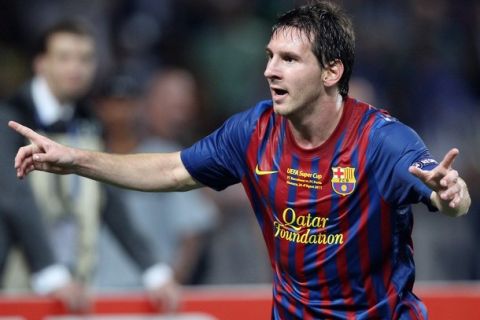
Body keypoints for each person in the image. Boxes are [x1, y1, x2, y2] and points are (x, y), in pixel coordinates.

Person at [8, 2, 471, 319]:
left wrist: (453, 195)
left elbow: (446, 196)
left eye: (289, 59)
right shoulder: (252, 131)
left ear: (332, 71)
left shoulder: (382, 141)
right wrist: (75, 159)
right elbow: (171, 169)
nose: (270, 69)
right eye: (270, 56)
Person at [0, 20, 179, 312]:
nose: (76, 68)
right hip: (14, 284)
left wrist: (153, 270)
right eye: (64, 58)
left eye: (85, 59)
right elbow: (12, 199)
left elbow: (108, 198)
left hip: (75, 283)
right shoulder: (9, 117)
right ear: (41, 64)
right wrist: (50, 272)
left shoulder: (89, 121)